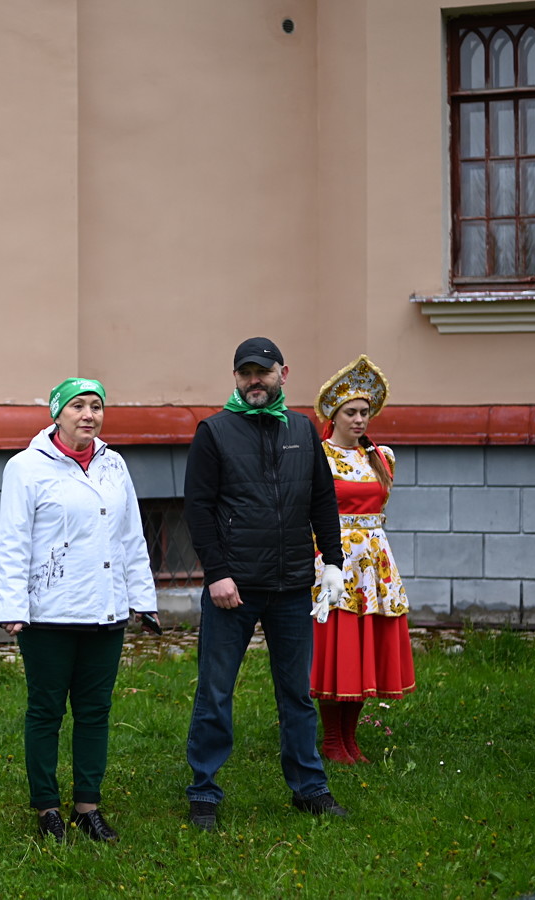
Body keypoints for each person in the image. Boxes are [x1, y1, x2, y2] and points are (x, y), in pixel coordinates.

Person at [182, 337, 349, 829]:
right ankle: (204, 791)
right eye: (245, 373)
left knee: (296, 694)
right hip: (233, 589)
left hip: (292, 585)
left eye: (263, 372)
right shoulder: (214, 431)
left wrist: (333, 562)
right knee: (216, 692)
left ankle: (309, 788)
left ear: (283, 374)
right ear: (235, 378)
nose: (255, 380)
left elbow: (322, 500)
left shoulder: (302, 429)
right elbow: (198, 509)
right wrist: (217, 573)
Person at [0, 378, 160, 843]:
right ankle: (47, 808)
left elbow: (131, 537)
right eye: (78, 406)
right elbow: (13, 541)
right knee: (46, 711)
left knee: (94, 711)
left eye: (96, 406)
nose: (88, 415)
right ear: (57, 413)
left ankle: (88, 807)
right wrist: (13, 605)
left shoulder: (114, 464)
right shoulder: (25, 467)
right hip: (48, 614)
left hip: (106, 612)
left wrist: (142, 600)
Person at [309, 355, 415, 765]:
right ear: (334, 415)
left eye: (364, 413)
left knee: (365, 646)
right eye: (350, 412)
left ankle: (350, 738)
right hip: (333, 559)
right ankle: (332, 740)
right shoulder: (319, 456)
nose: (358, 420)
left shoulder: (381, 457)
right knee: (338, 648)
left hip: (374, 562)